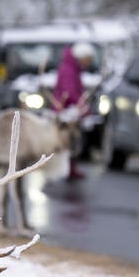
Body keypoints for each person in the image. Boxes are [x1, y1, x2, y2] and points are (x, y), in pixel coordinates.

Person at [53, 41, 96, 180]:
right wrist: (81, 106)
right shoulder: (69, 69)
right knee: (69, 140)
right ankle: (68, 169)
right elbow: (69, 91)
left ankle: (69, 168)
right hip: (68, 110)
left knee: (69, 140)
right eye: (88, 59)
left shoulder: (72, 67)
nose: (89, 63)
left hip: (69, 108)